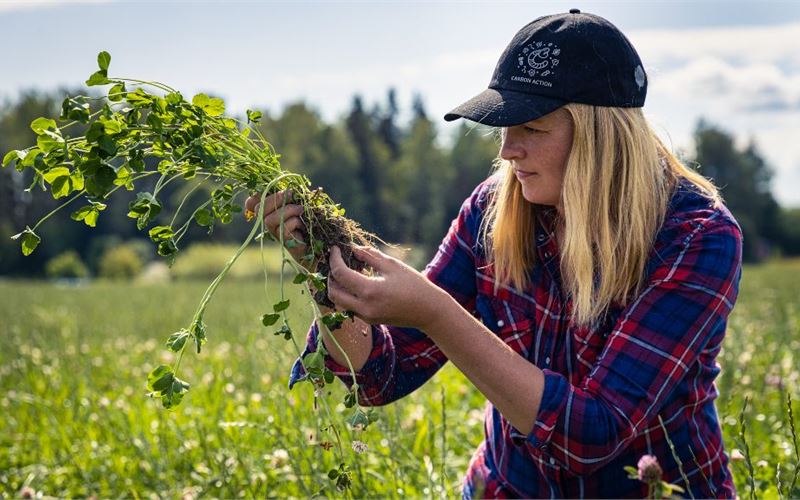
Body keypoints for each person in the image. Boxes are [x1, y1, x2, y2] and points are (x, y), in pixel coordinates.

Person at [245, 9, 742, 499]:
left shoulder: (696, 236)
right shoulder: (492, 210)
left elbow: (592, 433)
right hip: (508, 488)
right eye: (504, 127)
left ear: (599, 135)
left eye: (532, 128)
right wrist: (326, 270)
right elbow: (381, 374)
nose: (507, 150)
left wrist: (437, 314)